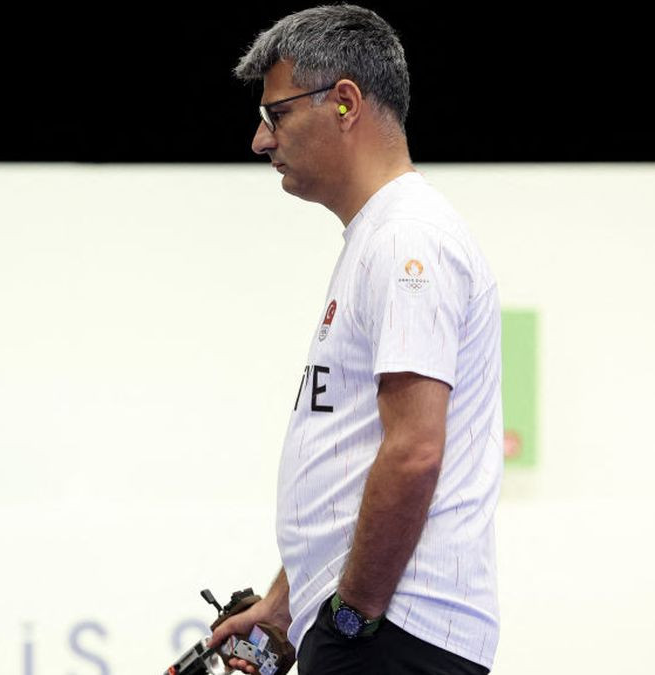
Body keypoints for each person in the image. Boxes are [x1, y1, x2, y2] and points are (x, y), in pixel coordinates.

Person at [206, 5, 502, 674]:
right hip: (379, 630)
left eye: (275, 114)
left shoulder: (407, 240)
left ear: (344, 103)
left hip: (391, 631)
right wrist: (287, 603)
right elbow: (357, 456)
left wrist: (349, 614)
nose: (260, 140)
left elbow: (415, 451)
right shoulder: (381, 237)